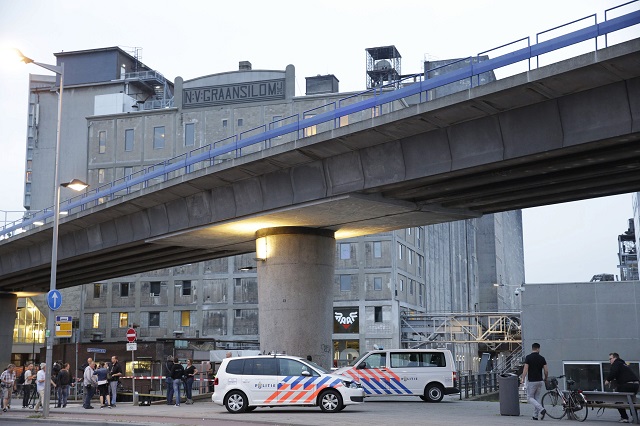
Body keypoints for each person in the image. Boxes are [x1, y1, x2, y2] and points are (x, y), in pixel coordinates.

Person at [605, 352, 640, 423]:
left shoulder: (616, 363)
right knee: (631, 401)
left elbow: (613, 372)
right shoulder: (623, 364)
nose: (610, 361)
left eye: (610, 359)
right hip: (635, 385)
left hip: (627, 385)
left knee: (618, 399)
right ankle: (635, 418)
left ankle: (624, 417)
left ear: (615, 358)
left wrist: (608, 380)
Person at [520, 342, 548, 421]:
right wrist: (546, 378)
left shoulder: (528, 357)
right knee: (537, 398)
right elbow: (546, 371)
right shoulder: (542, 358)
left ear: (532, 348)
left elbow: (525, 369)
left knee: (529, 398)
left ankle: (541, 409)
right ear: (538, 349)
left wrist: (522, 378)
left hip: (532, 381)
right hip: (540, 380)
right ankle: (535, 416)